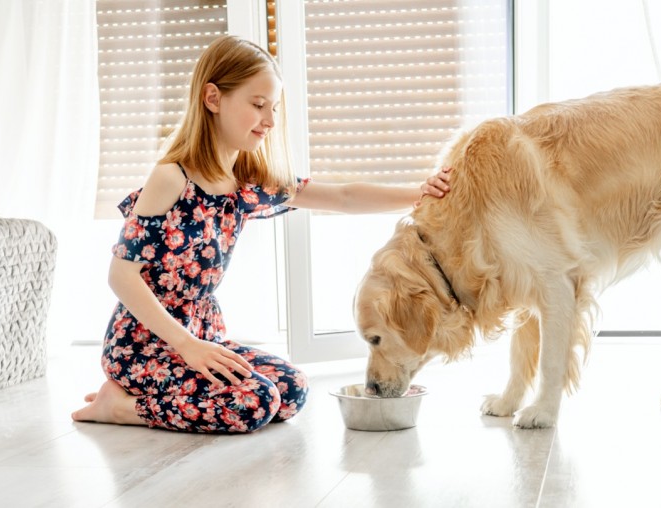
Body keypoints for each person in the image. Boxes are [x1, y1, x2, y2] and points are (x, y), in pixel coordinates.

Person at [71, 35, 452, 433]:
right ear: (213, 98)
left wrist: (419, 193)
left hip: (205, 338)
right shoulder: (171, 177)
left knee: (291, 389)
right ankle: (119, 407)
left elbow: (342, 195)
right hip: (145, 346)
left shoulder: (245, 183)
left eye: (273, 108)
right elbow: (121, 276)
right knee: (254, 404)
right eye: (257, 105)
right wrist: (189, 346)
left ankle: (147, 397)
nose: (269, 120)